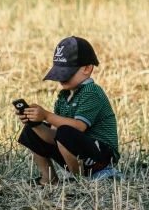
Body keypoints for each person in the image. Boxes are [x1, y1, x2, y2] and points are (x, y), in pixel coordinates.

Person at [16, 36, 121, 186]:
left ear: (87, 68)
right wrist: (35, 124)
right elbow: (54, 136)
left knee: (65, 132)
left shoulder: (92, 92)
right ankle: (49, 178)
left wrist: (46, 115)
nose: (61, 78)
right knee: (32, 131)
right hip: (75, 151)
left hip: (100, 155)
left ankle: (79, 181)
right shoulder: (64, 96)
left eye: (67, 72)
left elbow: (78, 127)